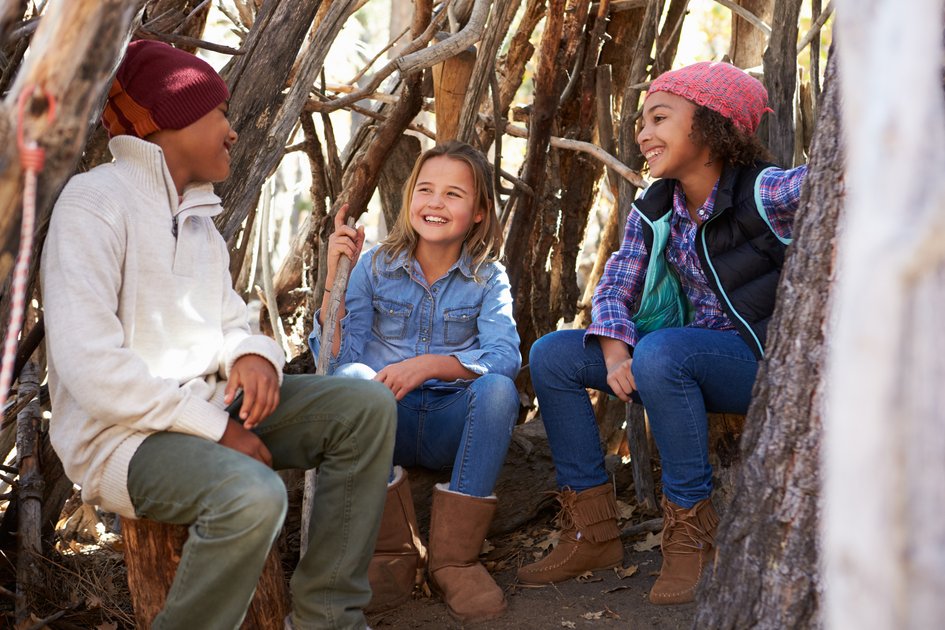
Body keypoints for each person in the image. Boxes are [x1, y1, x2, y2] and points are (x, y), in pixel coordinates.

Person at [40, 40, 396, 630]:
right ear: (168, 122)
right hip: (122, 441)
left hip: (208, 405)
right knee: (252, 494)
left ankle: (327, 619)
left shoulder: (199, 216)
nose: (232, 131)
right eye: (219, 115)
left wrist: (252, 353)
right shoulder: (94, 203)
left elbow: (231, 318)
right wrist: (218, 430)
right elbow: (92, 369)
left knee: (363, 408)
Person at [517, 62, 808, 605]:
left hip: (768, 365)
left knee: (662, 352)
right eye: (640, 123)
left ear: (712, 126)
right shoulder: (655, 209)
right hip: (682, 359)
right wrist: (611, 354)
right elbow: (614, 286)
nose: (643, 134)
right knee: (553, 354)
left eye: (659, 118)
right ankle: (593, 531)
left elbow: (839, 178)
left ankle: (693, 540)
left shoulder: (764, 191)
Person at [309, 141, 521, 623]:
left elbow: (504, 356)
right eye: (425, 190)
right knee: (354, 379)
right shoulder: (376, 266)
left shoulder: (489, 277)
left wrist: (428, 365)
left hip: (451, 424)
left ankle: (455, 561)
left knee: (498, 391)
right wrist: (332, 282)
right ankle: (392, 553)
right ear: (409, 200)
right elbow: (336, 357)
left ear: (480, 213)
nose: (435, 203)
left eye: (453, 194)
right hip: (387, 424)